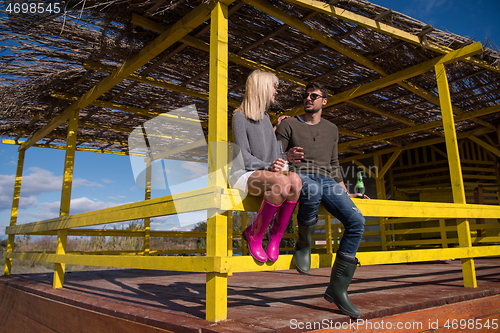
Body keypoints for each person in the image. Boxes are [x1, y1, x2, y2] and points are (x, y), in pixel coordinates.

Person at [276, 81, 368, 319]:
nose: (308, 98)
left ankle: (338, 289)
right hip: (299, 175)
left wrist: (344, 192)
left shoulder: (332, 129)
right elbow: (273, 156)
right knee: (312, 191)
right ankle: (304, 243)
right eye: (305, 95)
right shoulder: (288, 124)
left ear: (324, 101)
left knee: (357, 220)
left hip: (328, 180)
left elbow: (335, 164)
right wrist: (285, 156)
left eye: (314, 95)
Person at [230, 70, 302, 263]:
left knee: (295, 181)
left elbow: (273, 157)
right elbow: (242, 156)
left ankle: (275, 236)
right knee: (281, 181)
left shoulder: (266, 120)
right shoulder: (239, 116)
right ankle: (255, 233)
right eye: (274, 87)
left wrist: (284, 157)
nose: (276, 92)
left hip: (265, 174)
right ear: (261, 88)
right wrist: (270, 166)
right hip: (244, 174)